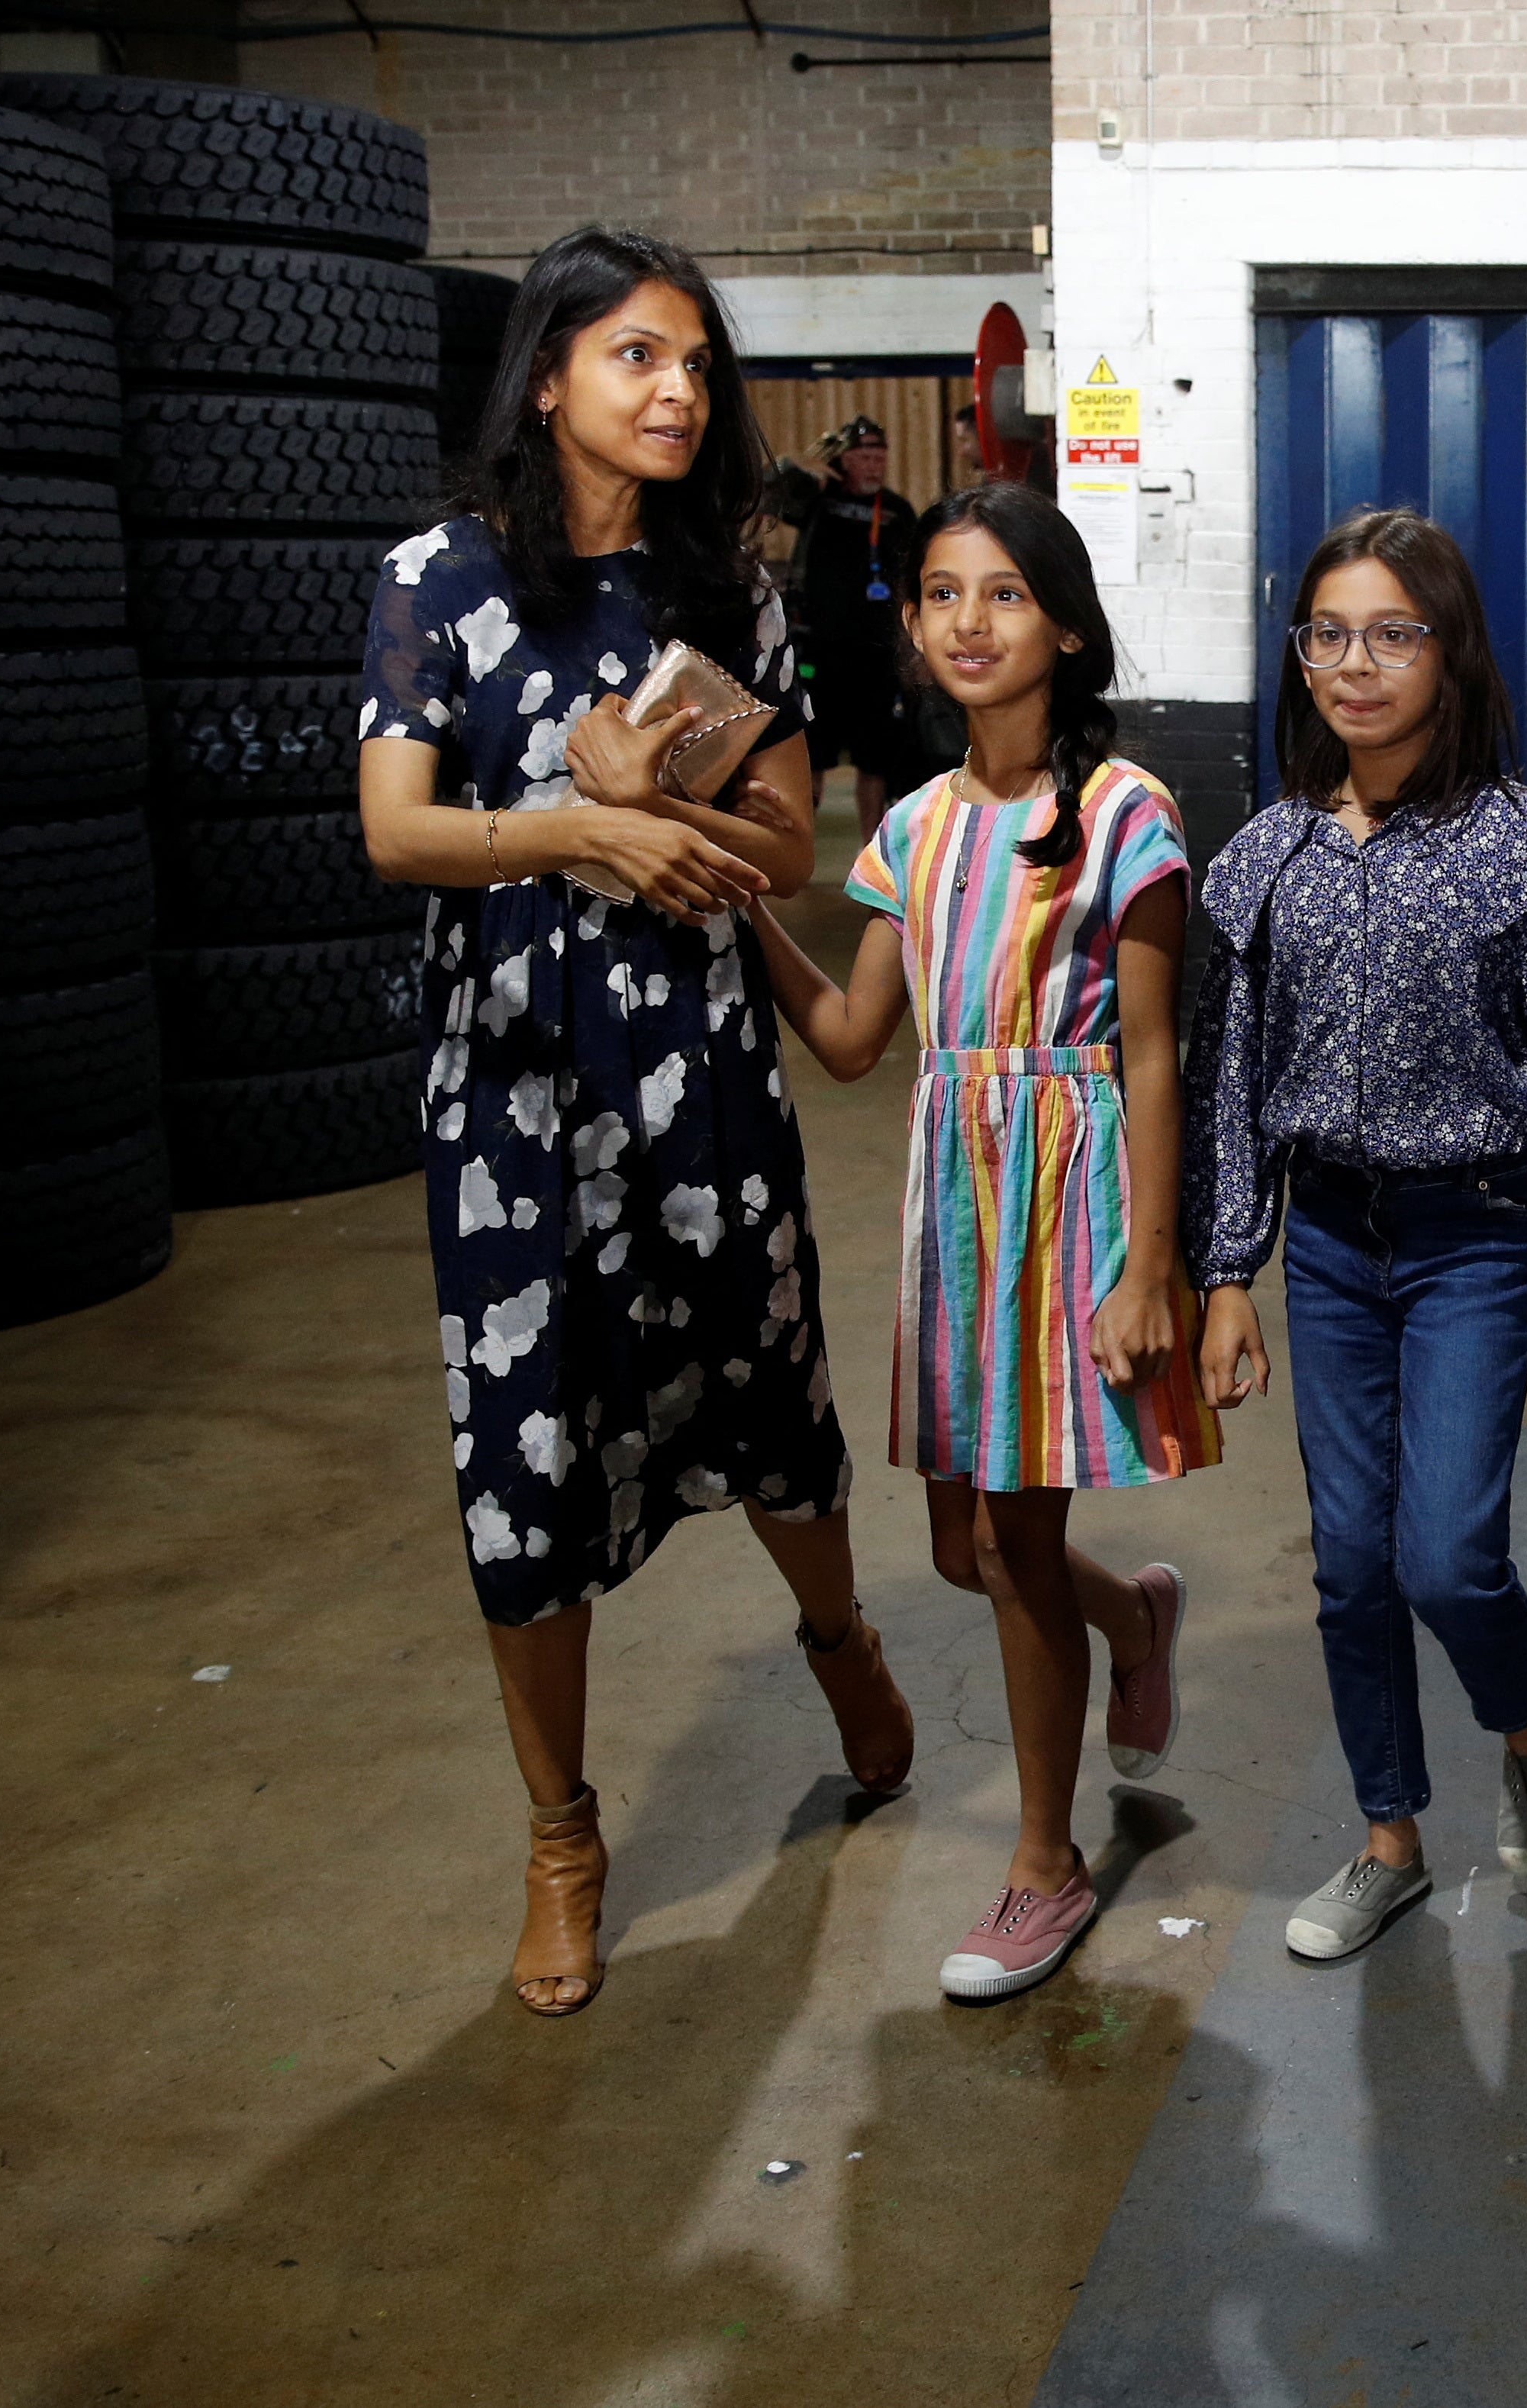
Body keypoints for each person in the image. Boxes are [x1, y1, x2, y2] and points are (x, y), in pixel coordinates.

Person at [353, 226, 916, 2021]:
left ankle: (842, 1640)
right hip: (512, 1088)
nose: (679, 390)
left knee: (770, 1386)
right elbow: (397, 828)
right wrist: (581, 825)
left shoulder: (730, 593)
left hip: (699, 1063)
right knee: (525, 1457)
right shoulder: (435, 579)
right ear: (550, 378)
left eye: (695, 362)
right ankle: (564, 1837)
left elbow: (780, 846)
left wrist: (681, 815)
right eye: (637, 358)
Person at [747, 482, 1220, 2003]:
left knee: (1011, 1537)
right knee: (964, 1544)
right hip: (955, 1197)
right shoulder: (907, 827)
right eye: (941, 593)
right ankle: (1132, 1605)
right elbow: (846, 1038)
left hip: (1071, 1193)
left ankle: (1042, 1862)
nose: (967, 619)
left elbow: (1153, 1052)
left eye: (1003, 592)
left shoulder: (1125, 812)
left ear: (1064, 626)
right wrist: (733, 906)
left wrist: (1152, 1259)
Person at [1183, 507, 1527, 1964]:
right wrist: (1224, 1272)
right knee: (1349, 1565)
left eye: (1391, 633)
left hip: (1474, 1232)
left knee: (1444, 1558)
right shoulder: (1261, 863)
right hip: (1328, 1242)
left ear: (1449, 651)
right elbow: (1233, 1084)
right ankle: (1387, 1840)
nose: (1355, 663)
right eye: (1327, 634)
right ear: (1297, 655)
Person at [786, 414, 932, 813]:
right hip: (821, 649)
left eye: (880, 457)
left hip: (878, 653)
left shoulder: (898, 511)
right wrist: (808, 466)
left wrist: (917, 648)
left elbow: (915, 577)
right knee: (814, 753)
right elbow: (766, 493)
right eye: (864, 457)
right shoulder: (816, 503)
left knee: (876, 758)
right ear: (846, 460)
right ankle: (805, 848)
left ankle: (872, 848)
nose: (874, 466)